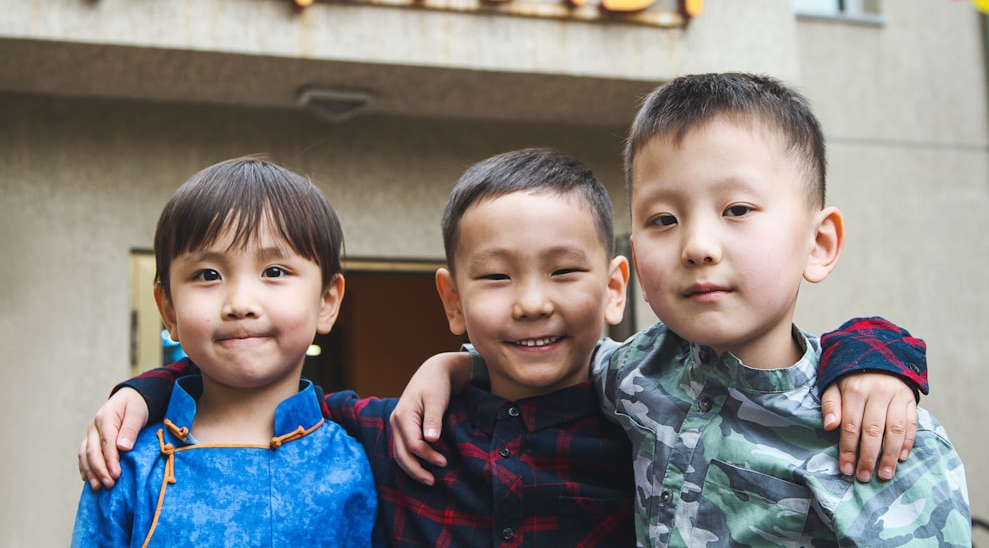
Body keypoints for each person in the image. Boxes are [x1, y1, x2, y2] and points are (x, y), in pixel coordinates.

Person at [82, 149, 925, 546]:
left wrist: (871, 353)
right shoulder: (387, 434)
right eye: (493, 278)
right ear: (451, 298)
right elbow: (246, 386)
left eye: (564, 270)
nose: (529, 301)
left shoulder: (646, 408)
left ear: (614, 285)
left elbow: (753, 355)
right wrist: (146, 390)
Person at [394, 74, 971, 546]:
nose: (697, 245)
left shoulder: (879, 432)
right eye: (663, 219)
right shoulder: (635, 372)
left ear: (818, 244)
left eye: (737, 209)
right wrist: (454, 365)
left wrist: (879, 355)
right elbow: (554, 351)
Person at [71, 157, 378, 547]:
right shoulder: (128, 463)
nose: (240, 303)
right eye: (208, 275)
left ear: (327, 301)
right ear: (168, 309)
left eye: (275, 272)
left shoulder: (359, 463)